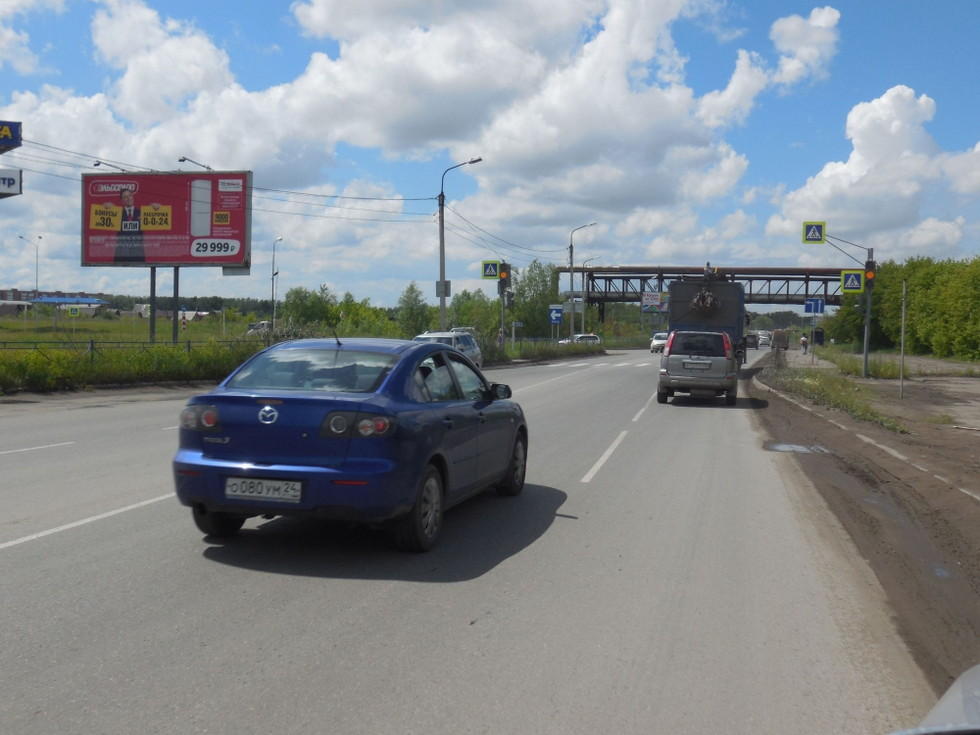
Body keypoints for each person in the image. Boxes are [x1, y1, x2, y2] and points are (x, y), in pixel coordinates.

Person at [114, 189, 144, 263]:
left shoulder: (142, 213)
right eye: (125, 197)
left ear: (133, 197)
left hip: (137, 254)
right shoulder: (117, 214)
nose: (128, 198)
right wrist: (106, 206)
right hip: (122, 254)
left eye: (130, 196)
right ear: (122, 200)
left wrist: (157, 208)